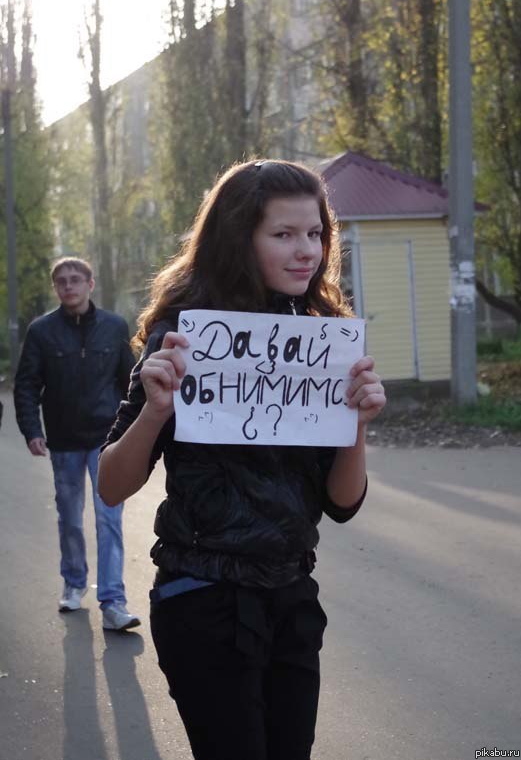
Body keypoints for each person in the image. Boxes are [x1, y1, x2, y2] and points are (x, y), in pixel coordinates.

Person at [98, 159, 386, 758]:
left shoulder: (324, 337)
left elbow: (342, 504)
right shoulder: (184, 338)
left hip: (291, 600)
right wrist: (155, 409)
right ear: (238, 238)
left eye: (315, 234)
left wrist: (355, 424)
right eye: (283, 234)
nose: (306, 251)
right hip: (203, 601)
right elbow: (111, 485)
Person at [14, 257, 140, 631]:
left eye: (75, 279)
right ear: (57, 288)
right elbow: (26, 385)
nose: (68, 286)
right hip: (65, 442)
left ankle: (114, 602)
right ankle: (73, 583)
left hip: (106, 442)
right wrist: (31, 430)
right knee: (70, 519)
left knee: (109, 520)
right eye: (62, 282)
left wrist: (130, 435)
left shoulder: (115, 327)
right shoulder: (41, 332)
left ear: (90, 283)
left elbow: (131, 383)